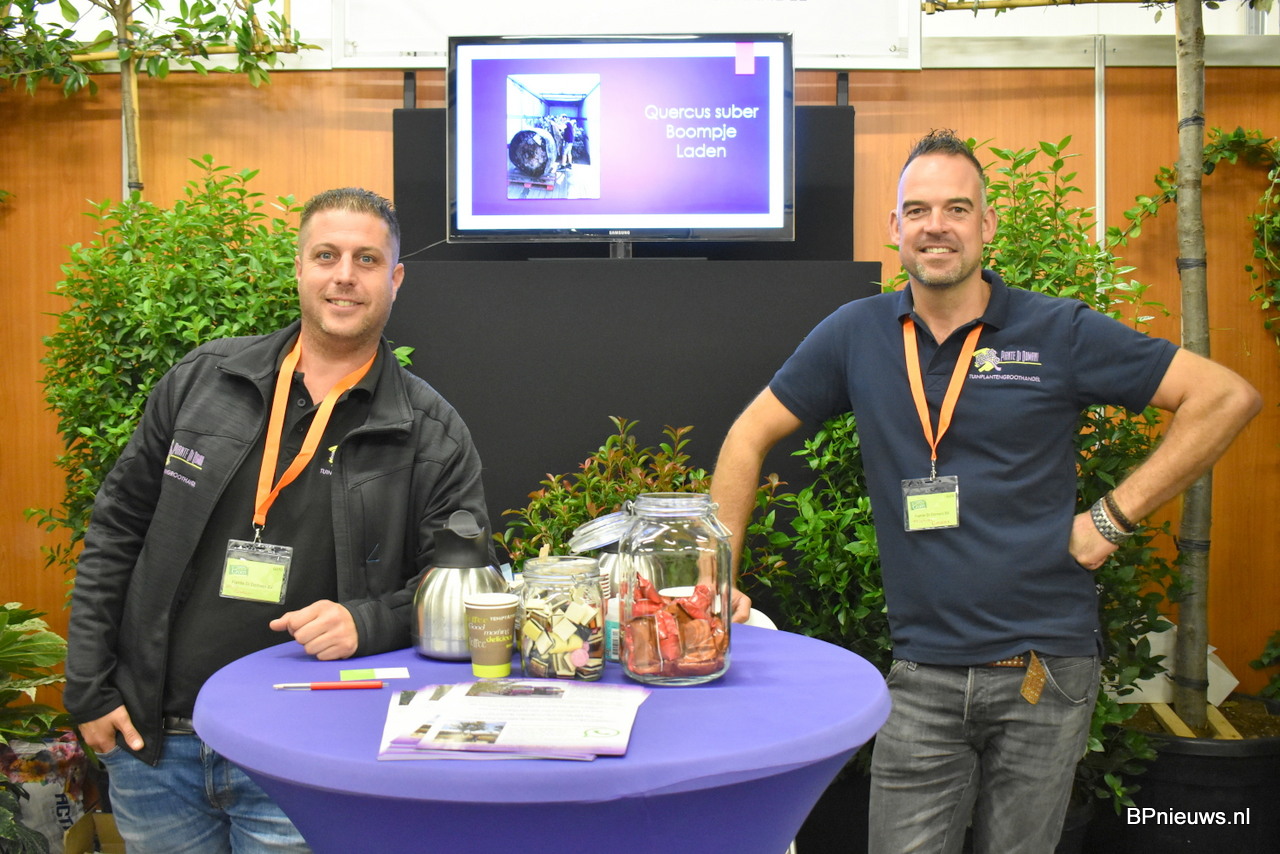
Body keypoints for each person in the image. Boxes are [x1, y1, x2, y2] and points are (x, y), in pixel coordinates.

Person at [710, 129, 1260, 854]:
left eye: (957, 208)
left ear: (987, 224)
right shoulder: (856, 334)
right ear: (895, 226)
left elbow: (1224, 396)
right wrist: (715, 581)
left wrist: (1111, 518)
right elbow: (746, 436)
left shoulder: (1056, 330)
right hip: (921, 674)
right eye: (918, 210)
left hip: (1044, 670)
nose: (936, 225)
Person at [64, 187, 493, 853]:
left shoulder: (431, 433)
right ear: (299, 268)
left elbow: (465, 591)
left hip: (307, 757)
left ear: (395, 279)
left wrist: (368, 622)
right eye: (326, 255)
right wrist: (89, 690)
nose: (344, 275)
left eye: (366, 259)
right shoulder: (203, 381)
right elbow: (117, 528)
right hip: (158, 748)